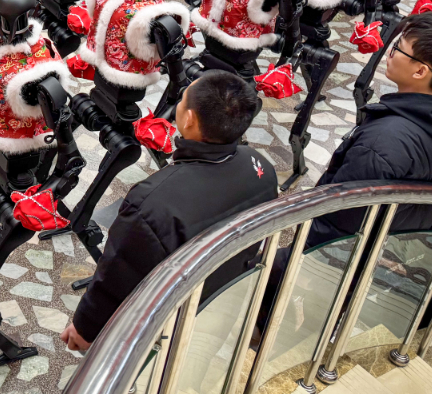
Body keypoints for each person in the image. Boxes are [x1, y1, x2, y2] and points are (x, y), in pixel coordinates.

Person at [59, 71, 276, 350]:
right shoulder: (261, 167)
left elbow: (117, 277)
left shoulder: (153, 203)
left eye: (182, 101)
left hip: (165, 325)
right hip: (221, 301)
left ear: (189, 119)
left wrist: (84, 327)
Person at [308, 12, 432, 246]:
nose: (389, 51)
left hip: (336, 248)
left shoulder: (381, 142)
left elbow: (340, 217)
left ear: (420, 71)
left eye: (398, 47)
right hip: (394, 237)